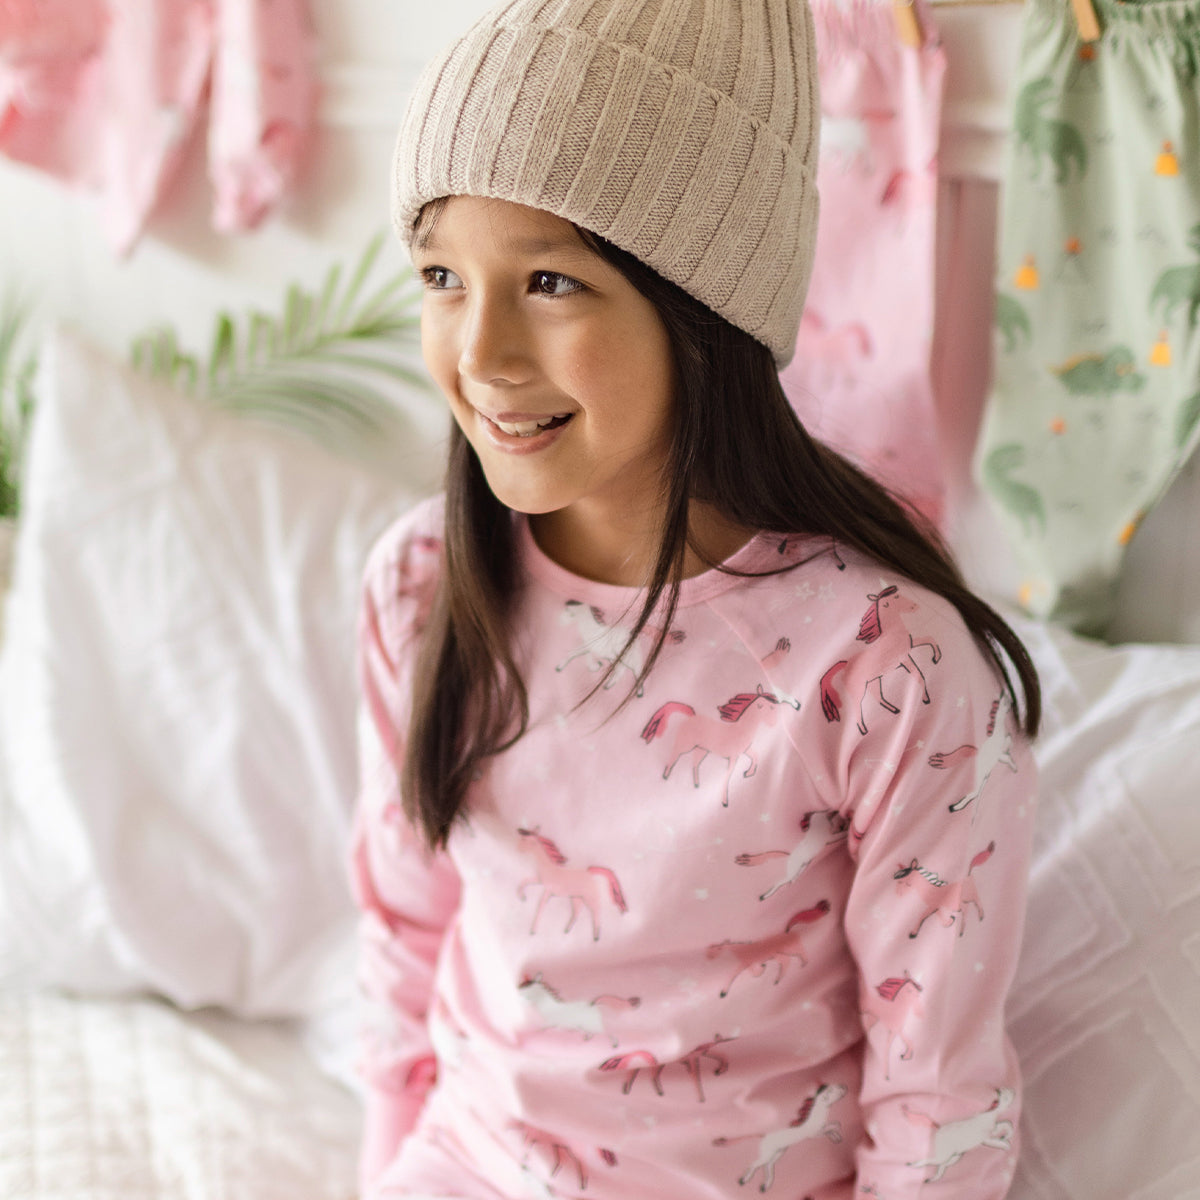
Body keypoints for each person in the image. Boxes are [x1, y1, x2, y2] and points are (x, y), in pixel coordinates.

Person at [350, 1, 1041, 1197]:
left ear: (704, 310)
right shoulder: (424, 587)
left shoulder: (887, 665)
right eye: (443, 277)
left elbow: (938, 1097)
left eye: (553, 280)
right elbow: (401, 941)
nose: (483, 353)